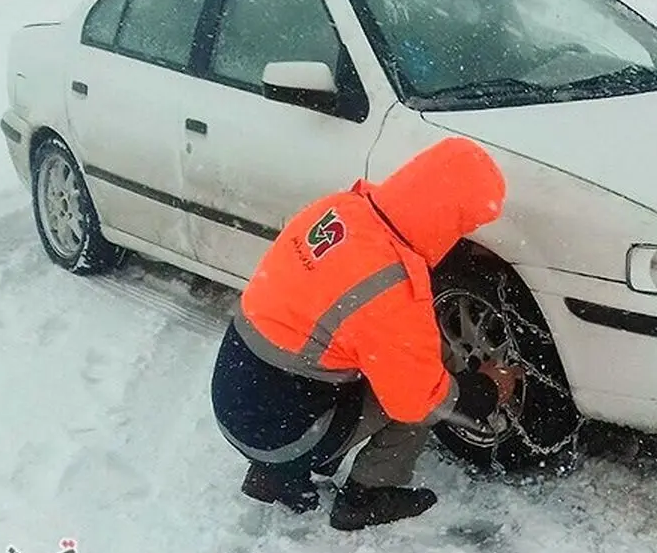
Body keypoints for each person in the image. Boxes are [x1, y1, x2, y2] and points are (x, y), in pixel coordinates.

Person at [210, 136, 522, 530]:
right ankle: (366, 496)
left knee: (339, 359)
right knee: (424, 379)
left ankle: (275, 474)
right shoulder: (390, 287)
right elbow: (421, 401)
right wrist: (489, 389)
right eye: (464, 225)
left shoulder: (340, 209)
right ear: (450, 217)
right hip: (281, 431)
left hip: (235, 398)